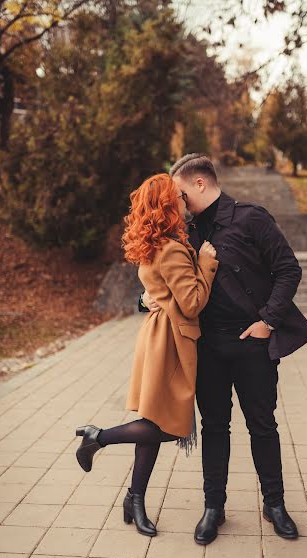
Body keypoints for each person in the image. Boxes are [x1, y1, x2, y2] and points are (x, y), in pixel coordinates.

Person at [138, 154, 307, 544]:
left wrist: (267, 322)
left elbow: (289, 269)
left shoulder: (251, 218)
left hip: (252, 342)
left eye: (181, 192)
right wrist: (144, 299)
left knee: (263, 426)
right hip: (207, 348)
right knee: (215, 428)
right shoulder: (181, 232)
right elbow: (164, 276)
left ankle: (275, 504)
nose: (177, 202)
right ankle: (213, 508)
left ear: (200, 183)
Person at [75, 172, 219, 537]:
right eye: (177, 197)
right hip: (169, 343)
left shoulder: (156, 245)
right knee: (165, 427)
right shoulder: (170, 249)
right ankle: (98, 437)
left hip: (158, 337)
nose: (183, 201)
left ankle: (134, 499)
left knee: (154, 426)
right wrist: (206, 264)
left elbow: (159, 291)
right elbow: (192, 303)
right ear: (167, 206)